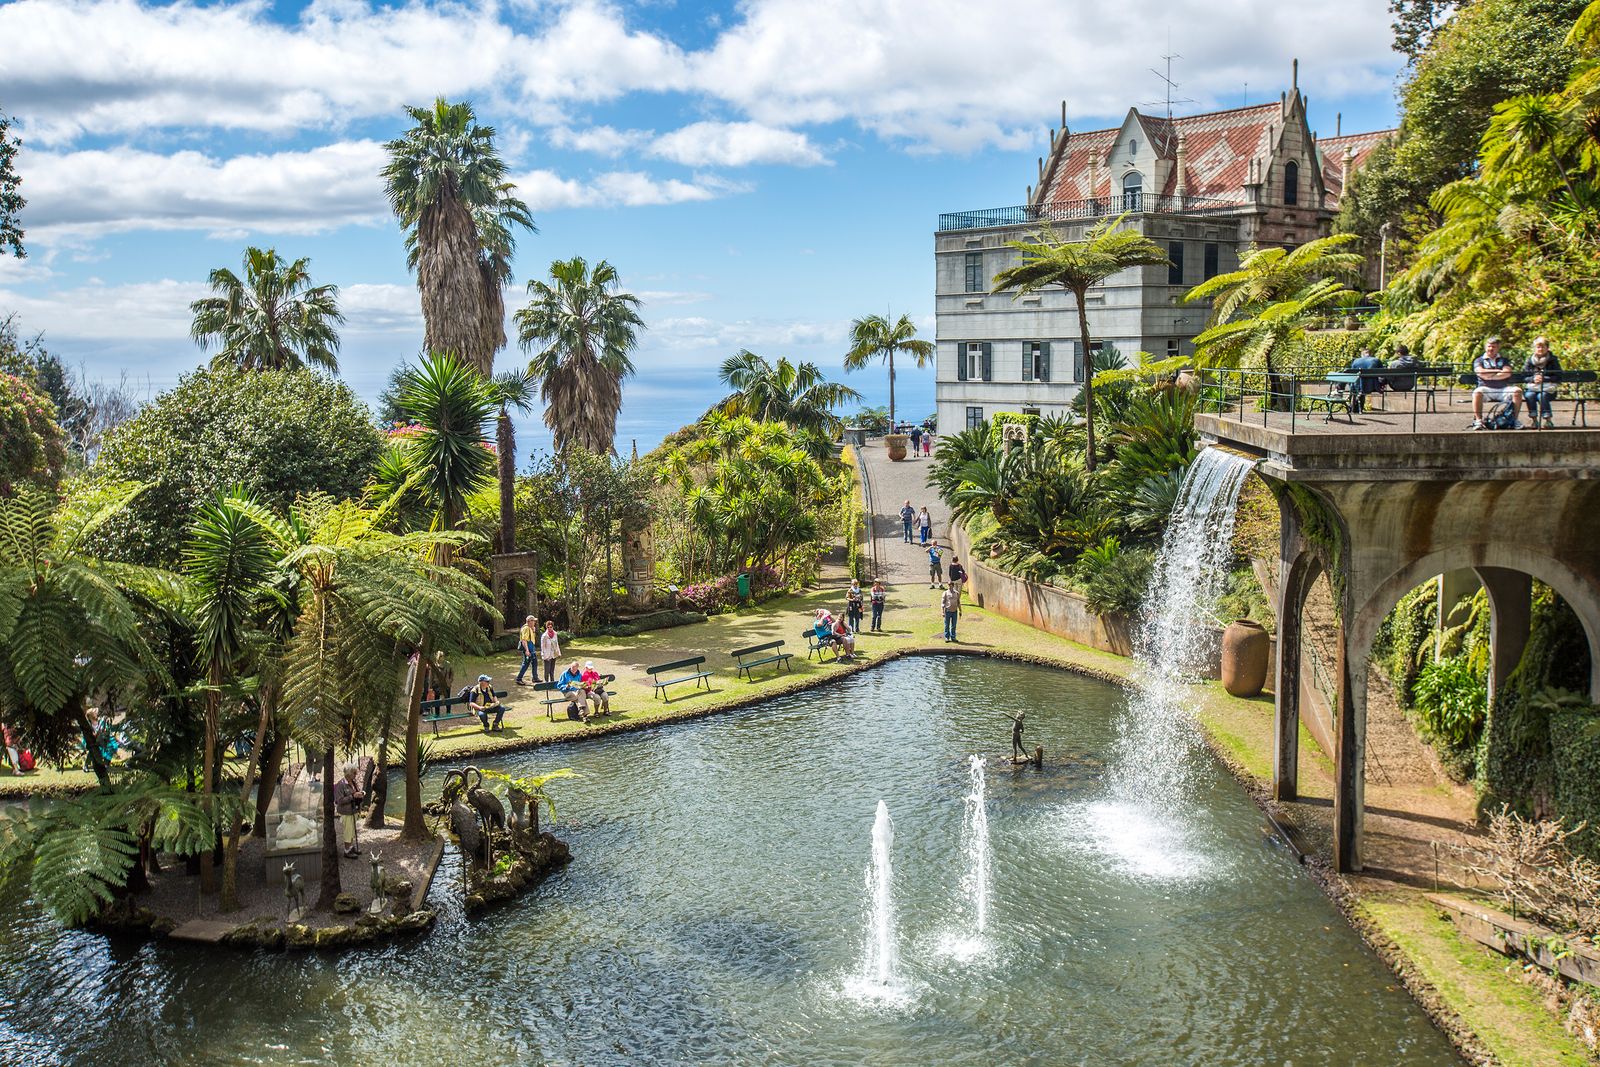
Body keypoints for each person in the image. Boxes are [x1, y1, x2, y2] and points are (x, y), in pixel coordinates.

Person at [1471, 336, 1523, 429]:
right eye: (1489, 346)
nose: (1491, 349)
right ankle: (1478, 421)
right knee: (1477, 392)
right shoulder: (1479, 360)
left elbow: (1507, 373)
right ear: (1485, 347)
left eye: (1493, 347)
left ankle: (1514, 420)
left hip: (1502, 389)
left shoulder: (1504, 360)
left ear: (1498, 348)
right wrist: (1498, 371)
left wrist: (1490, 375)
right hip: (1485, 387)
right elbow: (1480, 372)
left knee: (1517, 391)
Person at [1524, 336, 1562, 430]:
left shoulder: (1553, 360)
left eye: (1542, 347)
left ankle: (1548, 420)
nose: (1540, 349)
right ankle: (1534, 420)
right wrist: (1533, 379)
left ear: (1547, 348)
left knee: (1542, 395)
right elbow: (1524, 376)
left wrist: (1544, 378)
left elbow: (1558, 376)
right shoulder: (1530, 360)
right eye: (1538, 347)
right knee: (1529, 395)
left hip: (1548, 389)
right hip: (1533, 387)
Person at [334, 762, 366, 858]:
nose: (356, 774)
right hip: (346, 812)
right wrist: (352, 796)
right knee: (348, 832)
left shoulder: (353, 782)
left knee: (352, 831)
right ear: (348, 773)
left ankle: (351, 847)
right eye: (354, 773)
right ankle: (347, 851)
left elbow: (356, 792)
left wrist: (361, 793)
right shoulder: (341, 785)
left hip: (353, 810)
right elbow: (339, 801)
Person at [1345, 348, 1386, 413]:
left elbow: (1352, 374)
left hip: (1357, 386)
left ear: (1362, 355)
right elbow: (1383, 374)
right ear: (1371, 354)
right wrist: (1381, 384)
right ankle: (1358, 408)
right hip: (1373, 386)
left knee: (1358, 385)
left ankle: (1356, 409)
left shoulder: (1356, 361)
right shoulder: (1376, 360)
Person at [514, 615, 538, 685]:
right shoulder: (526, 628)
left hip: (531, 647)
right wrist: (527, 650)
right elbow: (524, 640)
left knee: (534, 662)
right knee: (526, 663)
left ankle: (535, 678)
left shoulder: (530, 628)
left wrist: (533, 631)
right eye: (533, 621)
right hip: (528, 648)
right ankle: (519, 679)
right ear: (529, 621)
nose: (534, 622)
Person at [539, 620, 561, 684]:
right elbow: (542, 646)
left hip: (553, 654)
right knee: (547, 670)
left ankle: (552, 682)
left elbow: (557, 644)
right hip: (547, 655)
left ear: (553, 627)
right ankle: (546, 682)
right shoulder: (544, 636)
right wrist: (543, 655)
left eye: (550, 627)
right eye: (548, 627)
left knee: (552, 670)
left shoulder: (555, 634)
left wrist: (558, 653)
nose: (549, 628)